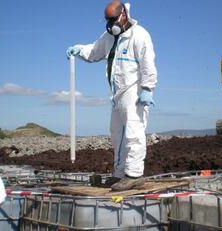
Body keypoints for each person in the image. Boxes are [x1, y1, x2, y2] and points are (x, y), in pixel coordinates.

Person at [66, 0, 158, 191]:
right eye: (107, 20)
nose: (110, 24)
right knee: (117, 135)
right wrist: (79, 49)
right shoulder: (108, 37)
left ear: (123, 15)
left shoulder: (139, 35)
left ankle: (134, 175)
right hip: (117, 95)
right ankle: (119, 175)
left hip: (134, 93)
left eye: (113, 19)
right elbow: (94, 51)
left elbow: (148, 64)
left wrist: (148, 89)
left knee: (133, 133)